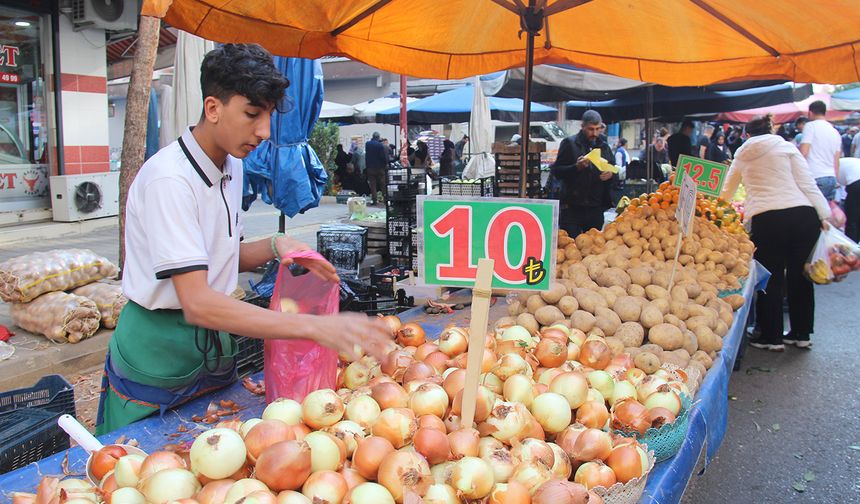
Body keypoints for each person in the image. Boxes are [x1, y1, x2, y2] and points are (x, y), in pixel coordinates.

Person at [95, 44, 390, 434]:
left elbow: (216, 255)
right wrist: (314, 327)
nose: (264, 131)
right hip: (158, 355)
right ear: (213, 108)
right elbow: (198, 301)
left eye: (267, 115)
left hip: (214, 350)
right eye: (252, 115)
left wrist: (275, 246)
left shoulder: (231, 166)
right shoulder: (170, 180)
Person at [720, 114, 830, 352]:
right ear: (771, 130)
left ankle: (771, 336)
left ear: (747, 134)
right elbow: (807, 182)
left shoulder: (742, 152)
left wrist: (716, 211)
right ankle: (801, 334)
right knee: (801, 275)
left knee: (771, 277)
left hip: (767, 218)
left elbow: (728, 189)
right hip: (803, 215)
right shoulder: (786, 147)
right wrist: (824, 215)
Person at [550, 110, 616, 236]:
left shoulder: (604, 146)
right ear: (583, 126)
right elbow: (557, 171)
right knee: (569, 245)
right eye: (591, 129)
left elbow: (613, 169)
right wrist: (576, 167)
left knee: (594, 247)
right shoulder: (569, 143)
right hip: (572, 208)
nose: (595, 133)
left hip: (596, 207)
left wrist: (611, 174)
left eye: (598, 129)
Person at [799, 100, 841, 201]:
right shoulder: (834, 131)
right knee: (827, 212)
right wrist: (836, 179)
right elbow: (836, 159)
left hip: (815, 176)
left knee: (814, 213)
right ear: (825, 113)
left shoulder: (810, 126)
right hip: (831, 177)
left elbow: (804, 152)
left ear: (810, 113)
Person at [838, 157, 860, 241]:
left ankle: (851, 244)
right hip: (855, 181)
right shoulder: (847, 162)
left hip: (856, 182)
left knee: (852, 218)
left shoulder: (832, 165)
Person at [364, 132, 388, 204]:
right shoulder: (380, 145)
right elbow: (383, 157)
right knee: (382, 184)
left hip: (370, 167)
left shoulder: (367, 144)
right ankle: (385, 199)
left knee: (372, 185)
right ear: (378, 137)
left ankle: (374, 200)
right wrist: (385, 164)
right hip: (380, 168)